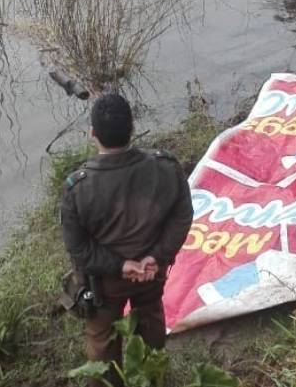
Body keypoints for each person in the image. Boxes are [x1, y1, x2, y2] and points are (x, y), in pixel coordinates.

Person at [59, 94, 193, 387]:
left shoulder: (77, 188)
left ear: (92, 133)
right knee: (151, 322)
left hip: (104, 283)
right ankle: (153, 378)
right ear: (132, 129)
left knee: (102, 340)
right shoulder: (166, 167)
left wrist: (120, 266)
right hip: (151, 274)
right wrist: (155, 258)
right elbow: (182, 218)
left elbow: (78, 249)